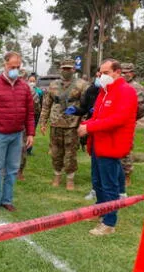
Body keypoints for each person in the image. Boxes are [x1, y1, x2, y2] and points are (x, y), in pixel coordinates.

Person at [78, 58, 137, 236]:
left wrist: (90, 127)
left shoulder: (126, 91)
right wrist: (87, 123)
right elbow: (98, 116)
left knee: (109, 184)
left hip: (111, 145)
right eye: (100, 73)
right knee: (97, 181)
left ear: (117, 72)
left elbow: (118, 119)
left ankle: (109, 222)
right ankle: (100, 210)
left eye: (106, 73)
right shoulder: (105, 92)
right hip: (98, 142)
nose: (101, 76)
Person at [0, 52, 35, 213]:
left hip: (17, 135)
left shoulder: (24, 87)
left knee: (12, 170)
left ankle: (7, 200)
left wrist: (30, 133)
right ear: (5, 65)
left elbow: (30, 113)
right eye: (12, 67)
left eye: (18, 67)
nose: (15, 70)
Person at [39, 59, 89, 191]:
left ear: (74, 70)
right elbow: (46, 105)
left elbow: (86, 106)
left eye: (69, 68)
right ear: (60, 69)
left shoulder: (82, 85)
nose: (66, 71)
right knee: (56, 152)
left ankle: (70, 178)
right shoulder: (53, 85)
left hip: (72, 124)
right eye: (64, 68)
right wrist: (43, 122)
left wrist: (83, 124)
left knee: (70, 153)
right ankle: (57, 175)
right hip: (56, 123)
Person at [119, 63, 144, 193]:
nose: (126, 74)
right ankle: (115, 173)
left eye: (128, 71)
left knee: (126, 149)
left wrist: (131, 118)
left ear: (133, 73)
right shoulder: (116, 85)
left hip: (128, 124)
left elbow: (143, 108)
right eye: (123, 71)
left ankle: (126, 175)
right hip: (114, 122)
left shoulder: (138, 88)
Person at [81, 69, 103, 201]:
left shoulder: (116, 92)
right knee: (95, 164)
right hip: (93, 131)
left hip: (106, 133)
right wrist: (77, 111)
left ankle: (120, 192)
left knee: (110, 166)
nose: (99, 77)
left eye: (103, 74)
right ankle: (95, 190)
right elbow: (84, 108)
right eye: (98, 75)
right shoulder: (91, 91)